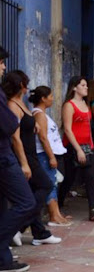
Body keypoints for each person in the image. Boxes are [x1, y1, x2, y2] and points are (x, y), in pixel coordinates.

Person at [3, 71, 62, 247]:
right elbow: (15, 138)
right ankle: (17, 226)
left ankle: (39, 232)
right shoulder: (12, 105)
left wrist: (34, 123)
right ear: (20, 85)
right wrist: (24, 163)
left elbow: (27, 120)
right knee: (45, 185)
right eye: (25, 84)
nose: (27, 88)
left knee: (33, 193)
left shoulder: (20, 103)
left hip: (31, 155)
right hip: (25, 157)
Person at [0, 48, 34, 272]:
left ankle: (3, 261)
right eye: (1, 62)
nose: (3, 67)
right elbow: (10, 124)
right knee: (27, 203)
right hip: (3, 157)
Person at [58, 76, 94, 222]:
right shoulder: (69, 105)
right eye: (83, 85)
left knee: (90, 178)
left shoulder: (86, 104)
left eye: (86, 85)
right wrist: (78, 149)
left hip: (87, 147)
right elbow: (67, 129)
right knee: (69, 178)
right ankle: (58, 206)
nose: (86, 88)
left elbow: (88, 127)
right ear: (74, 88)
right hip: (73, 147)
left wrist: (91, 145)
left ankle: (92, 211)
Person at [29, 86, 70, 226]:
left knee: (53, 182)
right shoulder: (39, 114)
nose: (52, 99)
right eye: (50, 96)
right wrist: (51, 156)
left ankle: (57, 213)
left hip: (47, 154)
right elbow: (43, 137)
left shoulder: (42, 113)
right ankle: (53, 216)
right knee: (50, 184)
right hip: (43, 155)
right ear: (43, 98)